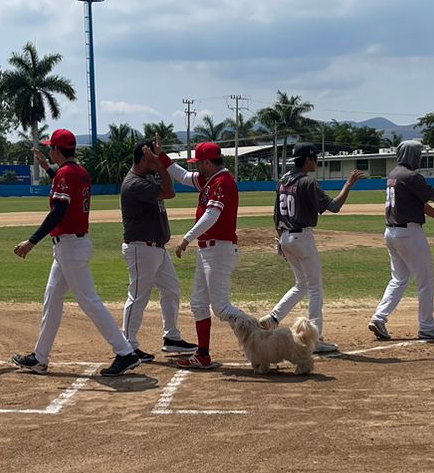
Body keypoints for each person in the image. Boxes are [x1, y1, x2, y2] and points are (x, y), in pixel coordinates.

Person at [10, 129, 141, 377]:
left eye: (52, 148)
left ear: (58, 150)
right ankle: (40, 357)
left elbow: (59, 210)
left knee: (89, 301)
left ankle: (125, 352)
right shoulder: (78, 172)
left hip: (70, 247)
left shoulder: (66, 174)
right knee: (52, 299)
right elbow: (63, 184)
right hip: (70, 246)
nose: (50, 150)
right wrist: (47, 167)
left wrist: (32, 241)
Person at [265, 144, 364, 353]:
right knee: (315, 289)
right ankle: (315, 339)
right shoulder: (308, 182)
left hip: (285, 235)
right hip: (302, 236)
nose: (316, 162)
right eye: (315, 158)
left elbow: (276, 214)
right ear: (308, 159)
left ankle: (273, 318)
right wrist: (348, 185)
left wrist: (280, 239)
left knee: (301, 284)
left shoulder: (283, 180)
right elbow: (334, 207)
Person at [368, 139, 434, 342]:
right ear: (410, 155)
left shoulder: (394, 175)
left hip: (392, 233)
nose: (420, 157)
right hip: (409, 234)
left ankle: (379, 317)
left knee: (399, 279)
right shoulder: (411, 177)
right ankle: (427, 327)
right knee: (425, 280)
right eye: (418, 154)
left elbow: (421, 204)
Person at [165, 140, 246, 369]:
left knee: (220, 307)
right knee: (199, 304)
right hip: (208, 249)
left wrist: (186, 239)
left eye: (199, 163)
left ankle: (261, 333)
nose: (197, 167)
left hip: (219, 248)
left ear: (208, 162)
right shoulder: (209, 179)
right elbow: (181, 175)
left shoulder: (222, 181)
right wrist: (160, 156)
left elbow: (212, 215)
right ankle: (202, 355)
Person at [114, 139, 195, 361]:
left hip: (156, 249)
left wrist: (157, 159)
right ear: (143, 159)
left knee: (171, 289)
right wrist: (159, 163)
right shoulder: (135, 184)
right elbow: (170, 192)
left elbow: (167, 187)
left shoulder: (146, 178)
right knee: (138, 296)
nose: (155, 162)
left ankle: (171, 337)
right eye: (150, 158)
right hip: (141, 248)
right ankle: (128, 345)